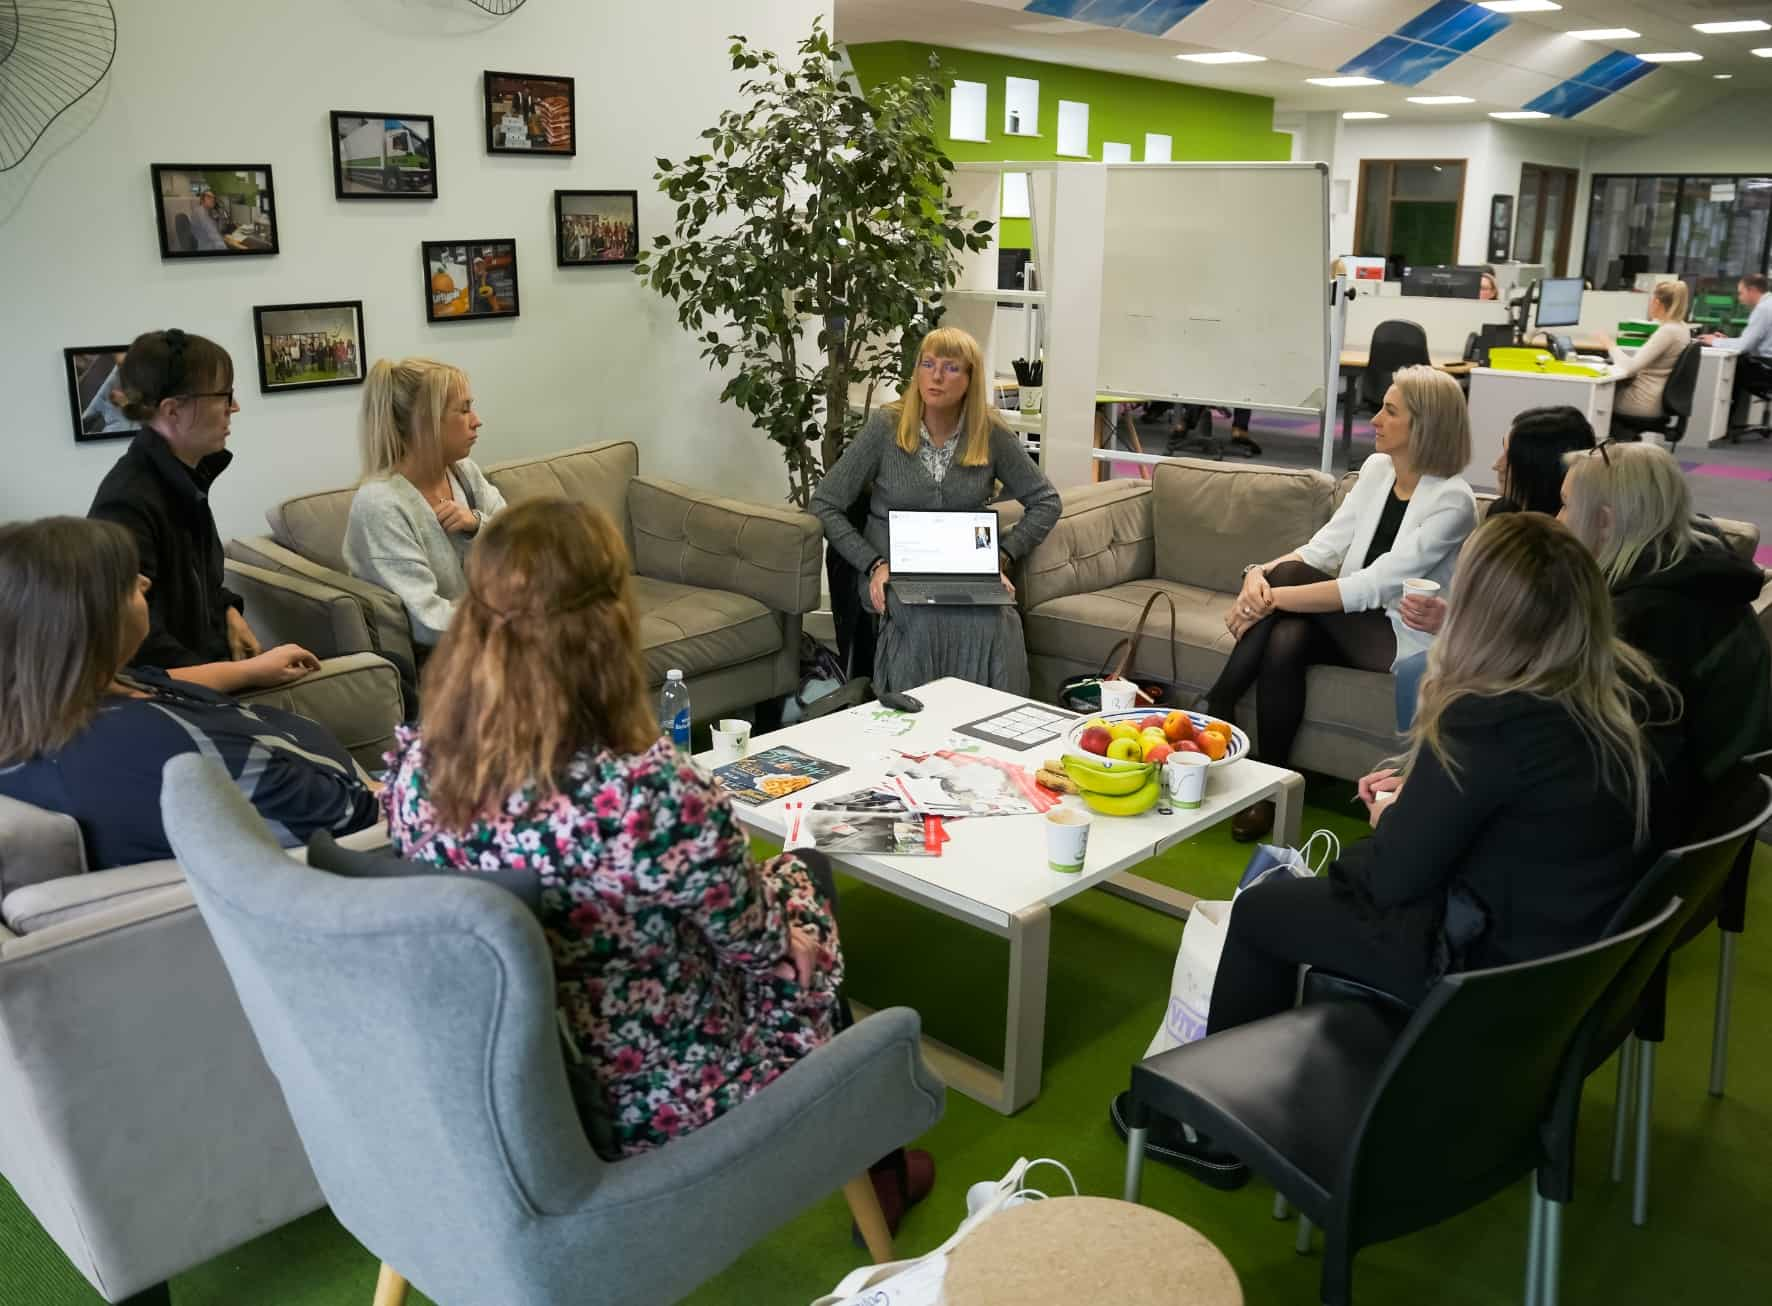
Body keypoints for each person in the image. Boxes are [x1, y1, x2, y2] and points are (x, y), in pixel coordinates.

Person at [378, 497, 935, 1224]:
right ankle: (876, 1171)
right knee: (805, 874)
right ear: (607, 623)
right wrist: (788, 935)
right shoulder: (646, 793)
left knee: (777, 898)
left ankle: (873, 1159)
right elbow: (753, 941)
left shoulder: (418, 767)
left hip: (498, 1070)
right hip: (648, 1087)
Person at [1115, 513, 1669, 1187]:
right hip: (1559, 968)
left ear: (1484, 616)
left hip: (1475, 971)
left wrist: (1386, 818)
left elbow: (1392, 879)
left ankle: (1215, 1135)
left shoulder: (1484, 719)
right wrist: (1422, 803)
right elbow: (1513, 811)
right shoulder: (1606, 702)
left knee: (1265, 909)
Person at [0, 518, 378, 870]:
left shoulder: (65, 698)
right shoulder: (170, 749)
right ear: (86, 618)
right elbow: (345, 818)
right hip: (370, 834)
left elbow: (158, 677)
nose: (146, 582)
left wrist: (247, 670)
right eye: (128, 582)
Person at [1204, 365, 1477, 840]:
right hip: (1349, 622)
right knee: (1287, 638)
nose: (1374, 420)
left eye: (1390, 412)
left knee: (1284, 602)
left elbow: (1376, 585)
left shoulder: (1454, 501)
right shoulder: (1375, 470)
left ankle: (1218, 705)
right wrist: (1259, 575)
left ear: (1424, 425)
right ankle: (1272, 788)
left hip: (1399, 636)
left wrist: (1268, 595)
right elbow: (1322, 549)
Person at [812, 326, 1060, 695]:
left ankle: (991, 722)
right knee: (918, 616)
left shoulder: (989, 432)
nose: (936, 376)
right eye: (927, 364)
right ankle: (910, 724)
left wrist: (1002, 557)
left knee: (1000, 617)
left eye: (951, 367)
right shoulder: (885, 427)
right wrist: (874, 564)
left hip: (965, 571)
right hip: (894, 569)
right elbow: (825, 503)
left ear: (971, 379)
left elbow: (1046, 501)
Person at [88, 329, 322, 694]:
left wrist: (227, 609)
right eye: (224, 396)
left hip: (207, 678)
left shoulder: (180, 479)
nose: (235, 407)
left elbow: (196, 581)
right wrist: (248, 674)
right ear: (172, 410)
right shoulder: (127, 502)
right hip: (182, 699)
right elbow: (141, 652)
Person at [1559, 441, 1772, 794]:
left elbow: (1593, 744)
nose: (1558, 520)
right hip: (1727, 785)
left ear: (1605, 521)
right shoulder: (1694, 566)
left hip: (1686, 805)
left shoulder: (1646, 617)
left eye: (1567, 506)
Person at [1391, 406, 1596, 727]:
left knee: (1419, 671)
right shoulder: (1502, 514)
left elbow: (1545, 633)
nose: (1496, 465)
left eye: (1507, 456)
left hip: (1534, 664)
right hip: (1481, 647)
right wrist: (1447, 620)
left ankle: (1413, 774)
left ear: (1535, 467)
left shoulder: (1566, 542)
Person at [343, 357, 507, 650]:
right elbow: (427, 621)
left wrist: (477, 523)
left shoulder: (463, 471)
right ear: (425, 423)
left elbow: (519, 541)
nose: (476, 420)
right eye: (464, 409)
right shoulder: (379, 504)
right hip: (442, 666)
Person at [1610, 280, 1693, 425]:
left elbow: (1630, 368)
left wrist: (1608, 344)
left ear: (1656, 302)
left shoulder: (1668, 331)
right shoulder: (1681, 328)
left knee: (1591, 397)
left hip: (1641, 402)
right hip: (1656, 400)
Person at [1701, 273, 1772, 431]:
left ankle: (1723, 426)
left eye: (1741, 292)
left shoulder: (1763, 309)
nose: (1739, 298)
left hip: (1766, 370)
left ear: (1752, 290)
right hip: (1767, 365)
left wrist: (1714, 342)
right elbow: (1751, 342)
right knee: (1737, 361)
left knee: (1732, 366)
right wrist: (1727, 341)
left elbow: (1743, 346)